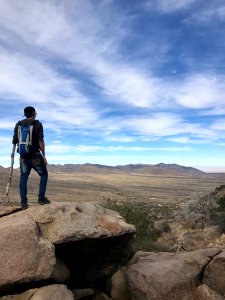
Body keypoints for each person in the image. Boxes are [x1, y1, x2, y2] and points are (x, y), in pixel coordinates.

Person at [12, 106, 50, 209]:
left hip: (23, 157)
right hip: (35, 156)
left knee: (23, 177)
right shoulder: (38, 124)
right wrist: (44, 155)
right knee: (44, 175)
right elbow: (41, 141)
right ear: (33, 113)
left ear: (25, 114)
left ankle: (24, 204)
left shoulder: (18, 124)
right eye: (35, 113)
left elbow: (14, 141)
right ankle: (41, 199)